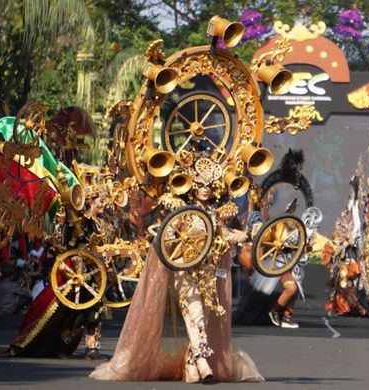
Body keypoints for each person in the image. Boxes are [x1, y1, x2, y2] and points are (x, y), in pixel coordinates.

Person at [90, 155, 263, 383]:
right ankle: (203, 363)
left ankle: (191, 368)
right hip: (185, 271)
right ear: (192, 186)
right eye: (200, 185)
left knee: (205, 318)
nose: (205, 190)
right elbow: (166, 237)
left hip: (209, 275)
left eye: (208, 186)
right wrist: (167, 239)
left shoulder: (211, 213)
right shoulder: (181, 210)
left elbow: (226, 235)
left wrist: (254, 233)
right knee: (195, 316)